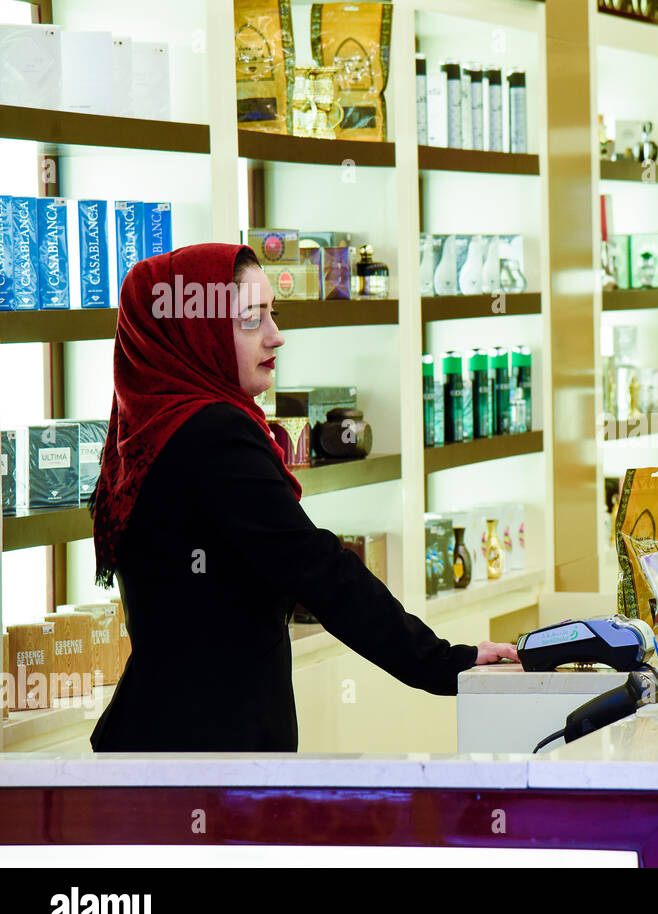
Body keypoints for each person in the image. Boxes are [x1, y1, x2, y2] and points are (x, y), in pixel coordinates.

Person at [88, 243, 517, 752]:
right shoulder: (212, 433)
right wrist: (448, 663)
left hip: (161, 741)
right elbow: (318, 569)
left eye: (273, 313)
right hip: (206, 758)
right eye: (252, 319)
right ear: (195, 331)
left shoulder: (150, 429)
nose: (277, 335)